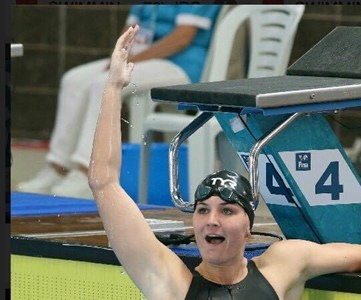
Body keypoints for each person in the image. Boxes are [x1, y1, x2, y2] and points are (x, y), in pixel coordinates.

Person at [88, 26, 361, 300]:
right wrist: (112, 88)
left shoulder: (283, 265)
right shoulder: (169, 280)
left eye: (226, 210)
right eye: (203, 211)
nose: (212, 220)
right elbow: (103, 182)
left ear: (249, 227)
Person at [17, 5, 221, 199]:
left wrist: (129, 62)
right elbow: (130, 31)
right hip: (142, 59)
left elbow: (181, 38)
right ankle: (57, 167)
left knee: (104, 83)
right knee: (73, 80)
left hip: (180, 64)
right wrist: (120, 56)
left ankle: (87, 171)